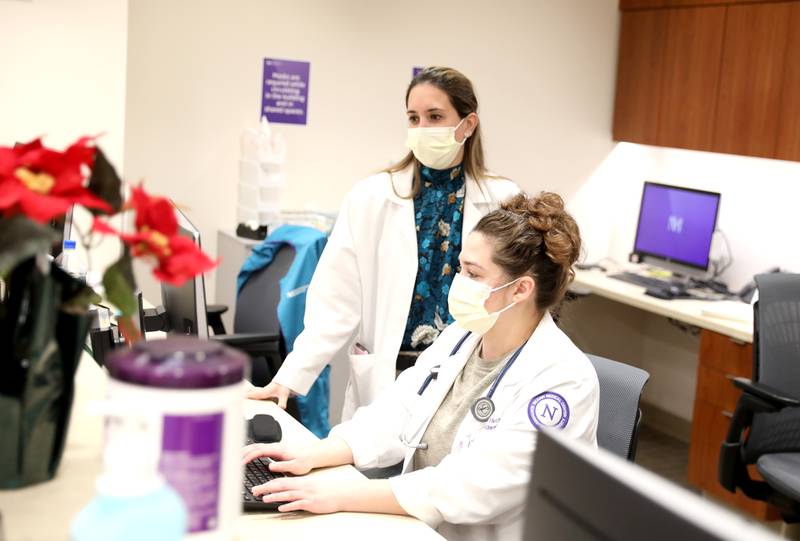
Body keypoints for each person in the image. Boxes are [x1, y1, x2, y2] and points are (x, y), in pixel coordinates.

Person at [243, 192, 600, 541]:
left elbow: (474, 486)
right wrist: (315, 454)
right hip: (419, 527)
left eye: (473, 274)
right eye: (460, 268)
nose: (458, 282)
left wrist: (339, 493)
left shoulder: (564, 382)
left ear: (521, 289)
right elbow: (399, 409)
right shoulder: (464, 335)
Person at [248, 67, 519, 420]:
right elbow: (335, 298)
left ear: (467, 125)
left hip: (466, 376)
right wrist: (291, 377)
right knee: (374, 467)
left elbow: (514, 301)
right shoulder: (372, 196)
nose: (422, 129)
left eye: (435, 117)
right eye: (413, 118)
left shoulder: (503, 200)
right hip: (390, 377)